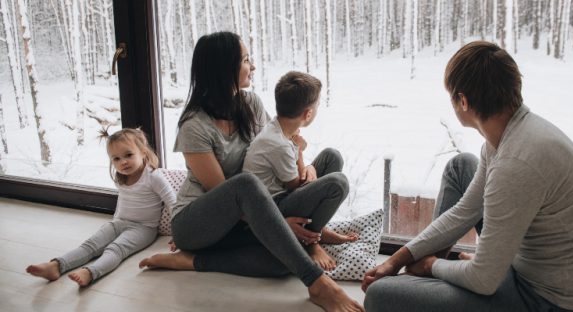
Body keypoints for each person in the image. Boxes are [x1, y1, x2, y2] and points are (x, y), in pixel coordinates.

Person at [362, 41, 573, 312]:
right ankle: (432, 276)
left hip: (550, 300)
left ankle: (429, 274)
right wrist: (396, 260)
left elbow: (484, 280)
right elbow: (465, 211)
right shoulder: (510, 136)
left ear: (463, 101)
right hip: (534, 267)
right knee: (462, 166)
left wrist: (433, 266)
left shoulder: (515, 164)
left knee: (380, 296)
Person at [137, 32, 363, 312]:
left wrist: (305, 165)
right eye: (245, 60)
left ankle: (309, 236)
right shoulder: (194, 126)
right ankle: (316, 283)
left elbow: (281, 141)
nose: (252, 66)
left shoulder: (251, 104)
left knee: (329, 163)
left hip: (256, 206)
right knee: (249, 191)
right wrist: (278, 221)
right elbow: (226, 194)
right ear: (223, 69)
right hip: (200, 221)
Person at [26, 128, 176, 287]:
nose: (123, 162)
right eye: (116, 159)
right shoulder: (121, 178)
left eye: (128, 155)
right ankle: (55, 266)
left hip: (143, 228)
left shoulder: (153, 177)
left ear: (143, 152)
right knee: (90, 245)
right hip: (118, 223)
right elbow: (122, 202)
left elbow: (173, 202)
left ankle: (90, 272)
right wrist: (114, 224)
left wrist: (178, 232)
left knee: (115, 249)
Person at [243, 71, 358, 271]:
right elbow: (295, 185)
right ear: (308, 114)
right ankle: (311, 241)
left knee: (332, 156)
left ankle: (318, 229)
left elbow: (298, 177)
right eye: (317, 105)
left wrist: (309, 168)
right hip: (273, 206)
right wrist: (300, 154)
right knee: (338, 183)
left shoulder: (279, 127)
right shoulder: (277, 143)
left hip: (283, 193)